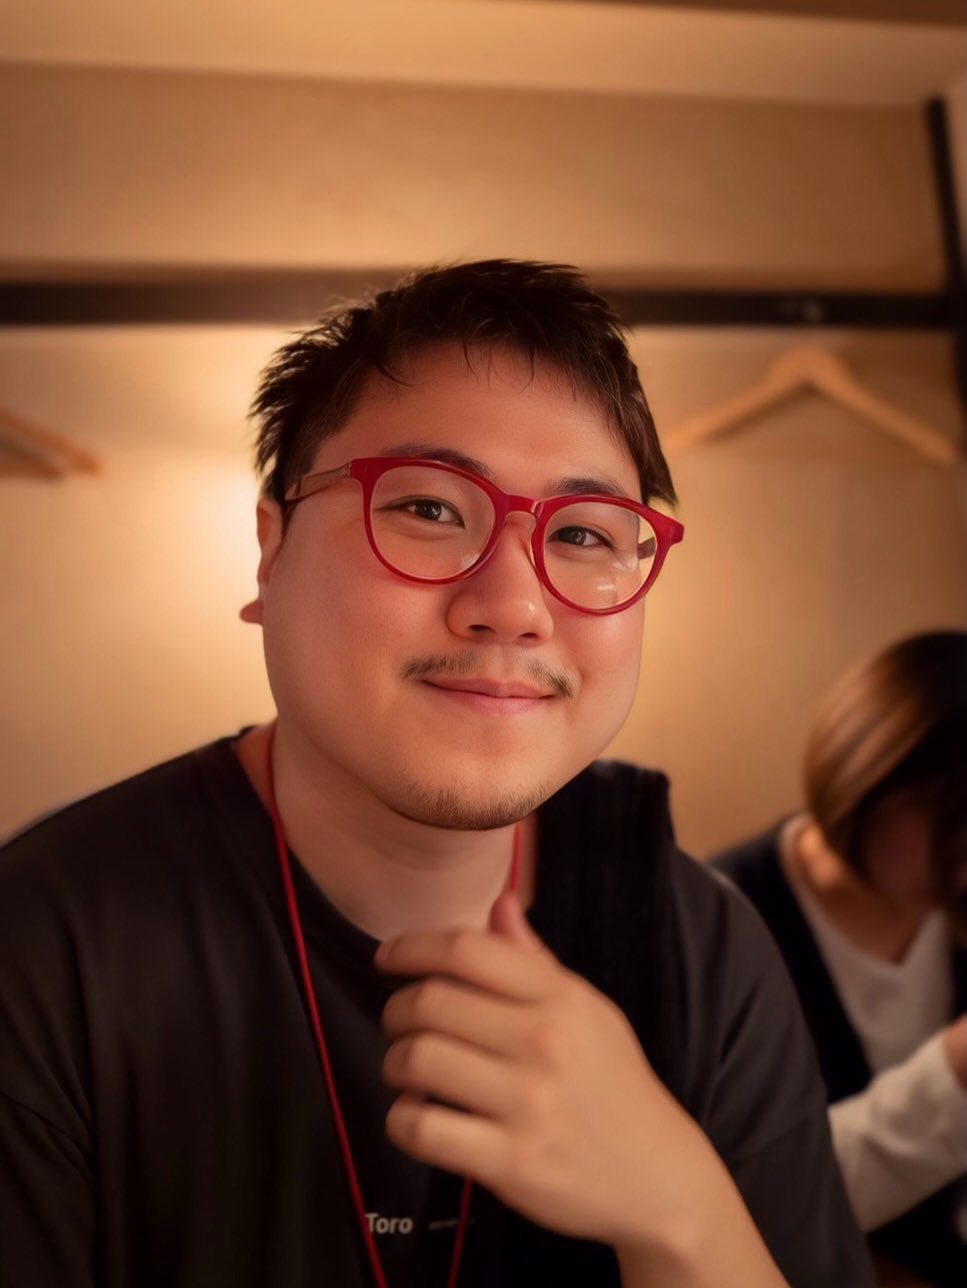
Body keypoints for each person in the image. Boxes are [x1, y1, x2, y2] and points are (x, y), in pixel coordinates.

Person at [0, 260, 873, 1287]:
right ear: (270, 553)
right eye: (427, 509)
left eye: (582, 533)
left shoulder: (699, 947)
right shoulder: (47, 943)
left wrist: (678, 1212)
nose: (513, 605)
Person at [713, 631, 967, 1288]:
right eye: (949, 818)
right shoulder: (723, 926)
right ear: (869, 771)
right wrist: (950, 1075)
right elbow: (742, 1202)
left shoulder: (949, 912)